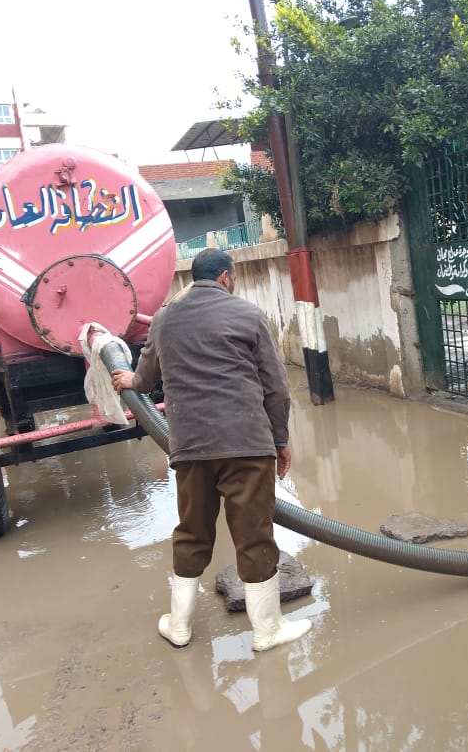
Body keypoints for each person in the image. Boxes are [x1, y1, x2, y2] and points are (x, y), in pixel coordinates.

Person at [111, 248, 312, 652]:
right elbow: (276, 388)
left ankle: (179, 626)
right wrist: (280, 441)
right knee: (254, 535)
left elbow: (146, 380)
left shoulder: (165, 319)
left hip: (190, 448)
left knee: (192, 532)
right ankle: (267, 631)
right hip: (247, 445)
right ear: (225, 277)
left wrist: (128, 379)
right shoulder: (247, 315)